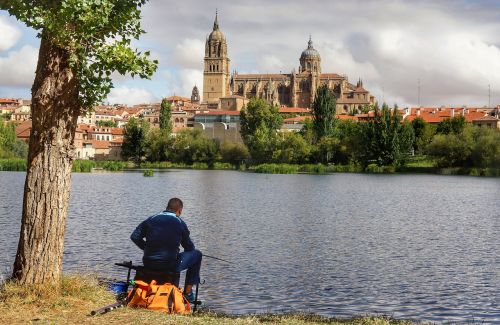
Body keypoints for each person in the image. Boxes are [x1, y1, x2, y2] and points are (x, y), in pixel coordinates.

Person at [130, 198, 202, 302]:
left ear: (167, 208)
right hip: (169, 265)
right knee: (197, 255)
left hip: (148, 262)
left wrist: (146, 248)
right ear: (179, 211)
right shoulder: (180, 222)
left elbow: (134, 237)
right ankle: (188, 293)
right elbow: (189, 248)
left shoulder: (151, 219)